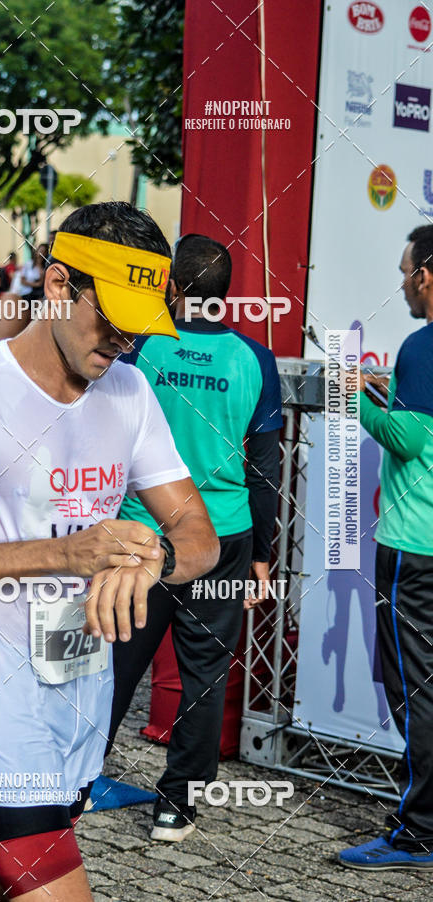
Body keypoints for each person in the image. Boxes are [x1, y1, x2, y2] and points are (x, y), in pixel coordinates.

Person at [0, 201, 220, 902]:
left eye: (138, 324)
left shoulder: (129, 389)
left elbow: (201, 539)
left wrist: (151, 560)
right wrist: (64, 556)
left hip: (81, 703)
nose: (124, 340)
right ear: (59, 285)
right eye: (111, 316)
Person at [105, 233, 283, 841]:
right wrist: (262, 556)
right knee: (205, 673)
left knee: (114, 665)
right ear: (225, 293)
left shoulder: (142, 347)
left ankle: (68, 789)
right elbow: (265, 470)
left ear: (172, 288)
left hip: (143, 532)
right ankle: (175, 807)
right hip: (227, 535)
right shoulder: (255, 360)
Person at [339, 225, 433, 870]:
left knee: (416, 691)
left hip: (414, 547)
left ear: (426, 273)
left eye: (405, 271)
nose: (401, 282)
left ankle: (419, 831)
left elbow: (408, 439)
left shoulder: (424, 345)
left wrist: (353, 396)